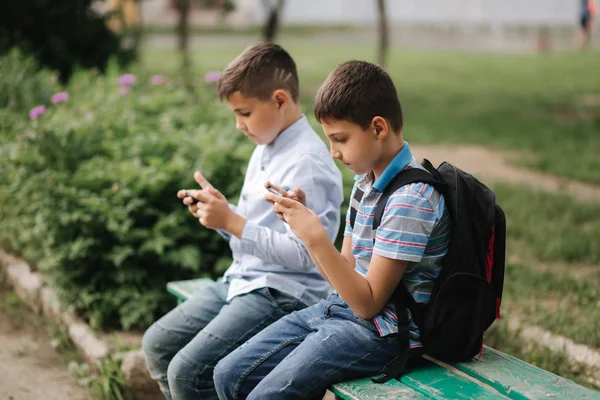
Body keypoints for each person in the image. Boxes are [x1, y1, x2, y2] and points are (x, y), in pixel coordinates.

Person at [213, 60, 451, 400]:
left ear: (378, 128)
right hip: (341, 311)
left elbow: (368, 304)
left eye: (340, 139)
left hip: (384, 332)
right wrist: (304, 222)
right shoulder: (365, 183)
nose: (333, 152)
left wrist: (315, 236)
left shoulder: (411, 200)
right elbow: (346, 270)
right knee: (228, 373)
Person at [141, 42, 344, 400]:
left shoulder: (307, 163)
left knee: (188, 373)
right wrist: (222, 215)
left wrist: (234, 222)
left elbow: (308, 254)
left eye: (245, 113)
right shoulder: (266, 146)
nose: (238, 125)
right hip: (242, 280)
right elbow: (257, 229)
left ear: (280, 100)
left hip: (282, 294)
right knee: (157, 345)